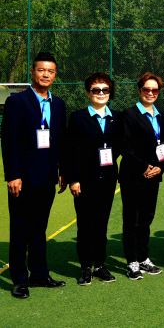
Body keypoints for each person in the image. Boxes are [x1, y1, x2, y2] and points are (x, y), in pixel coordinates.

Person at [1, 52, 67, 298]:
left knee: (39, 229)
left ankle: (39, 274)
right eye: (41, 70)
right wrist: (13, 174)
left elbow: (61, 141)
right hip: (23, 178)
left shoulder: (58, 104)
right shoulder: (17, 102)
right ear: (32, 72)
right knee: (20, 229)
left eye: (50, 71)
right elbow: (9, 141)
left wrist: (62, 171)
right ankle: (20, 279)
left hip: (47, 177)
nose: (45, 75)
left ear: (55, 75)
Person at [66, 72, 120, 285]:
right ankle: (85, 267)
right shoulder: (78, 118)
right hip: (84, 181)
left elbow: (119, 146)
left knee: (101, 224)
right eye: (96, 90)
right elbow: (71, 150)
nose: (101, 93)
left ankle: (100, 264)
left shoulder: (116, 118)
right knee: (85, 225)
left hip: (107, 179)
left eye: (105, 89)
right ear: (88, 93)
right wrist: (73, 179)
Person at [119, 72, 164, 280]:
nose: (150, 93)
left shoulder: (161, 116)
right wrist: (144, 166)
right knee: (132, 219)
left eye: (154, 90)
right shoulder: (128, 115)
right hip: (133, 175)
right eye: (146, 89)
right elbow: (125, 147)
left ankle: (143, 257)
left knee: (146, 218)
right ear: (139, 90)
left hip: (153, 175)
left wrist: (160, 168)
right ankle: (132, 261)